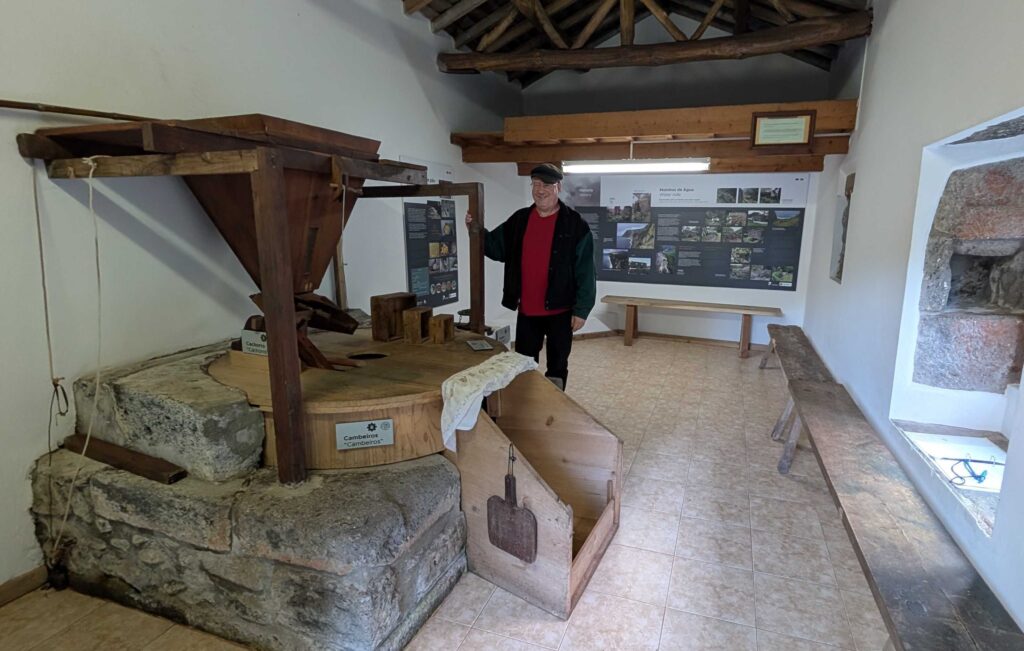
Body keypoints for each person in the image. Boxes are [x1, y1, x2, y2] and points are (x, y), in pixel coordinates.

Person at [465, 163, 596, 390]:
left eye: (546, 184)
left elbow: (586, 272)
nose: (540, 190)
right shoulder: (520, 220)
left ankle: (554, 406)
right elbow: (496, 248)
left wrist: (582, 310)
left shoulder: (575, 225)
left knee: (557, 364)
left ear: (558, 187)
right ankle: (525, 403)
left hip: (561, 311)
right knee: (523, 361)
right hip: (527, 311)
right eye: (536, 184)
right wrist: (475, 230)